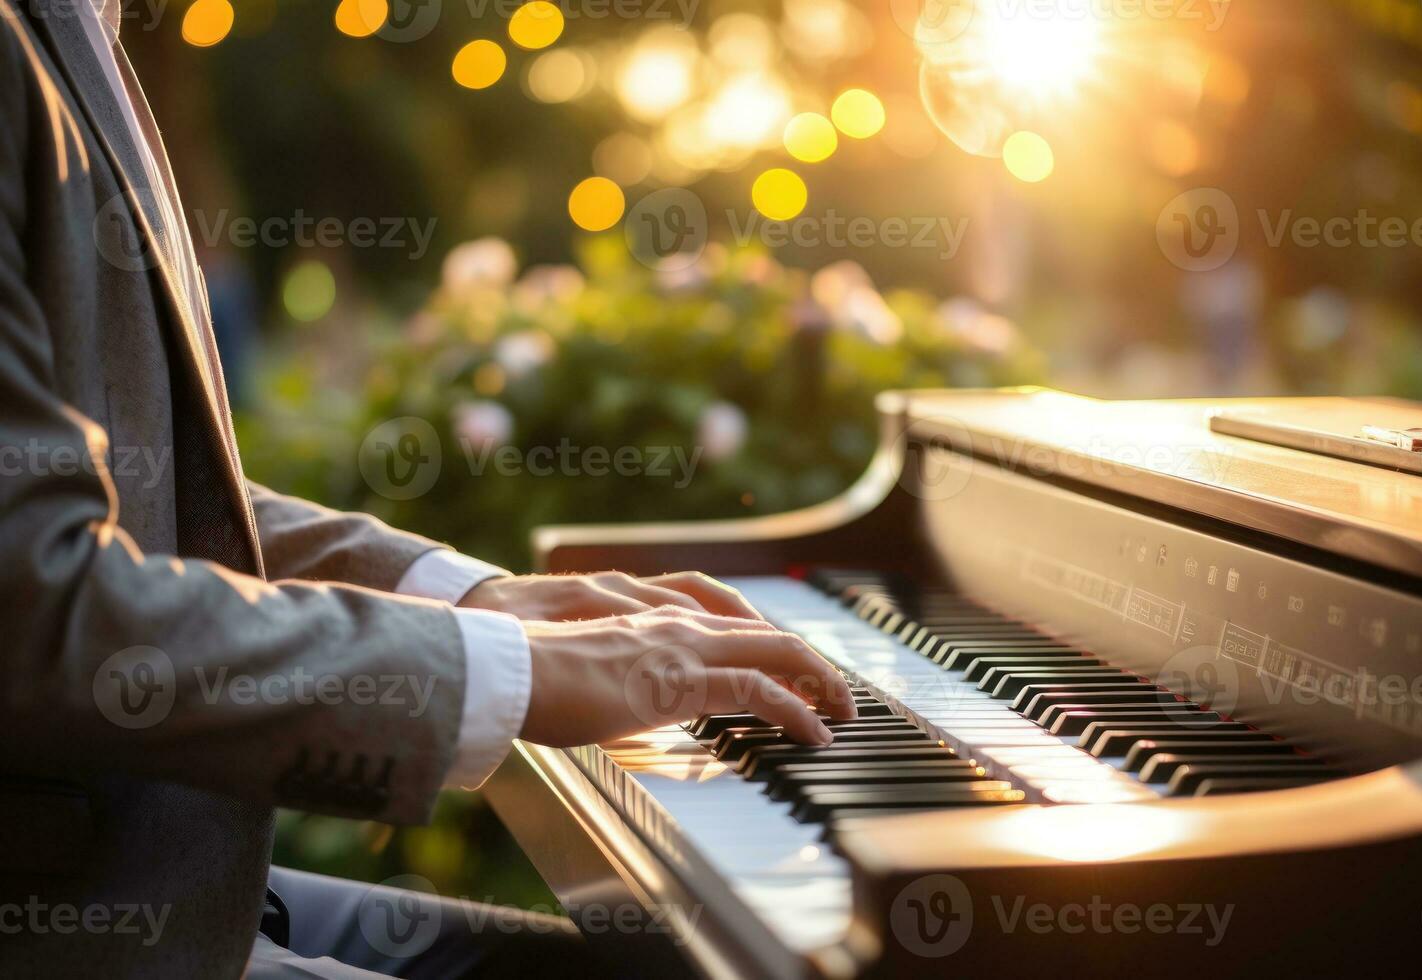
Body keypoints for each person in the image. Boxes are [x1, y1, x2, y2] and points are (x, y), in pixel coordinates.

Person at [0, 2, 857, 976]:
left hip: (172, 879)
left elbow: (137, 497)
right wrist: (508, 673)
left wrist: (469, 597)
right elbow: (31, 606)